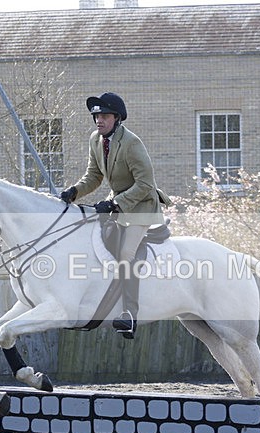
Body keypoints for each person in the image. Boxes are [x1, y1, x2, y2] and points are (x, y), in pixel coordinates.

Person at [59, 92, 169, 339]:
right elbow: (94, 176)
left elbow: (145, 184)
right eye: (96, 116)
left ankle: (129, 315)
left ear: (117, 118)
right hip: (118, 206)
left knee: (125, 254)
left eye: (104, 116)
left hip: (141, 207)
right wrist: (74, 191)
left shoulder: (131, 143)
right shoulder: (95, 140)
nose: (99, 120)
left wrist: (115, 203)